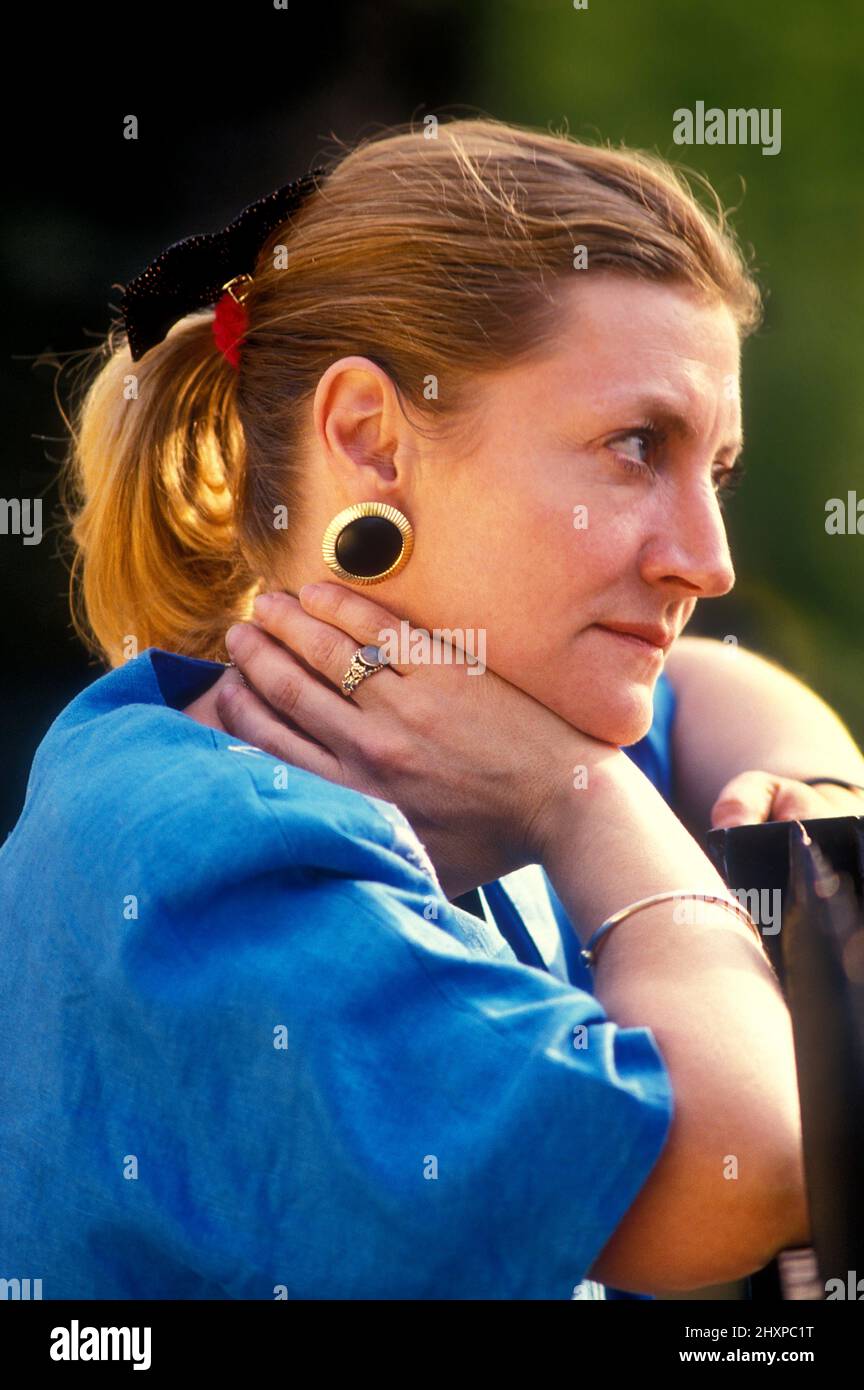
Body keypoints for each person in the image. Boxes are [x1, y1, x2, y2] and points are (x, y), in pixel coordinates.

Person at [2, 117, 863, 1302]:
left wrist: (818, 796)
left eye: (713, 470)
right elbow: (746, 1159)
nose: (708, 563)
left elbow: (727, 691)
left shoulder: (473, 737)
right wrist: (586, 800)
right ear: (371, 442)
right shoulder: (197, 857)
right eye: (633, 446)